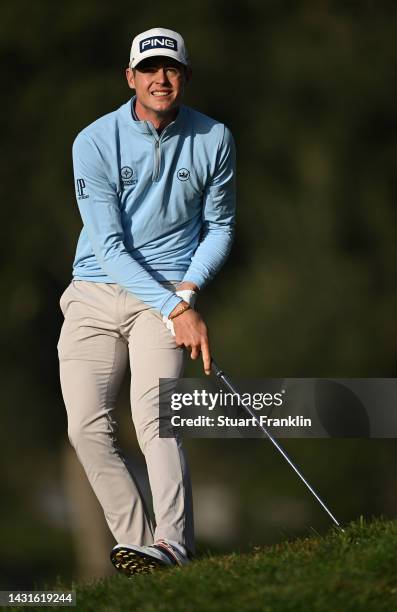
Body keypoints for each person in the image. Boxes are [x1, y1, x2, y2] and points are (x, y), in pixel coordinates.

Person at [57, 27, 236, 576]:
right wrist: (178, 310)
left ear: (184, 77)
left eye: (172, 69)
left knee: (156, 418)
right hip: (94, 292)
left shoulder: (213, 138)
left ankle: (173, 545)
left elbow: (220, 227)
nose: (162, 79)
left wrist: (185, 292)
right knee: (86, 427)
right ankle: (140, 546)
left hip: (162, 299)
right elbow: (109, 247)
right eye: (150, 69)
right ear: (130, 77)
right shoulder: (94, 141)